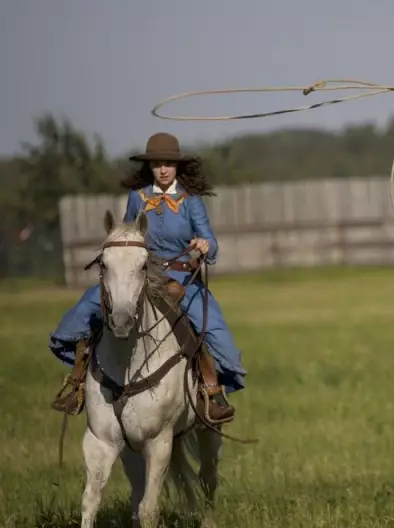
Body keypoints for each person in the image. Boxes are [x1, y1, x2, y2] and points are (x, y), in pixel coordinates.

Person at [49, 132, 246, 424]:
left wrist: (204, 245)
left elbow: (210, 240)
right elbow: (128, 233)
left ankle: (211, 389)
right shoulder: (136, 197)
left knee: (214, 331)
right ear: (150, 166)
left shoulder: (191, 202)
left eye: (169, 163)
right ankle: (78, 383)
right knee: (88, 308)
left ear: (177, 166)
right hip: (138, 275)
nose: (164, 169)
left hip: (181, 280)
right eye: (157, 164)